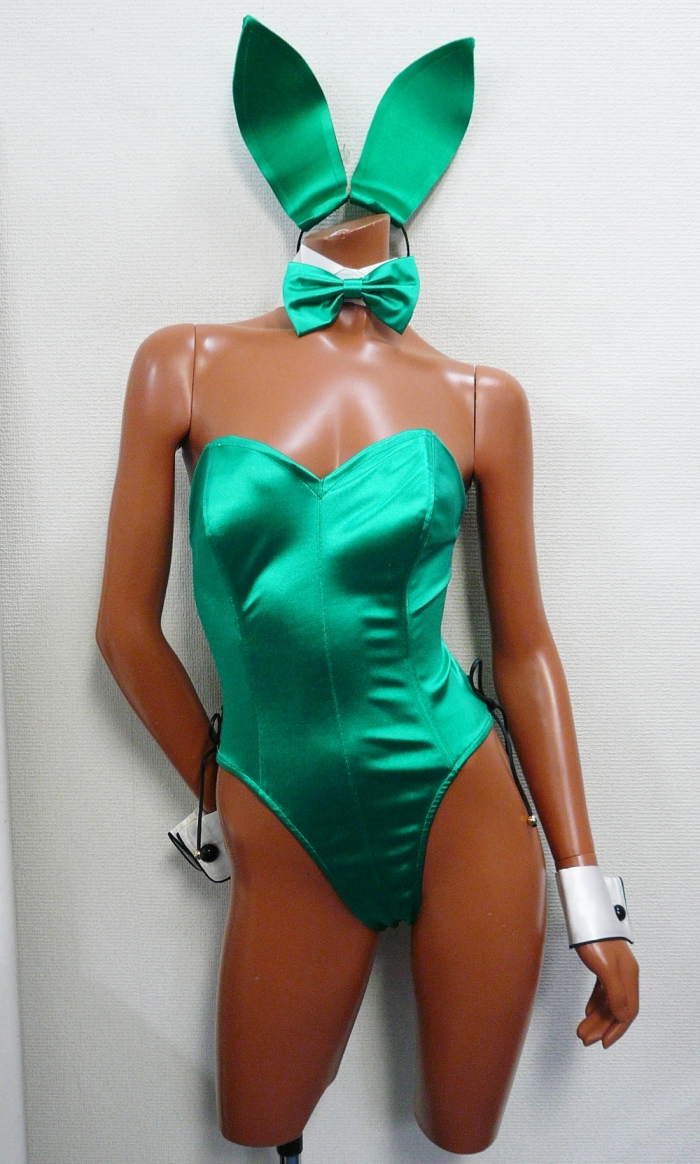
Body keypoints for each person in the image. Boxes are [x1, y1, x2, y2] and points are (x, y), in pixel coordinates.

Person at [96, 16, 638, 1156]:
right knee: (259, 1123)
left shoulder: (482, 396)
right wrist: (220, 788)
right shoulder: (180, 363)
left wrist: (589, 895)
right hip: (279, 812)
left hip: (460, 804)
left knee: (461, 1135)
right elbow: (124, 631)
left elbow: (523, 649)